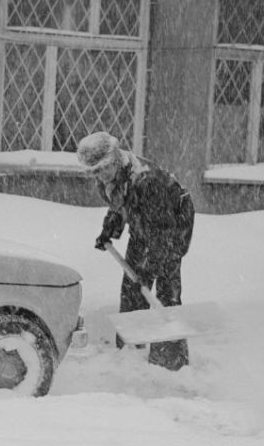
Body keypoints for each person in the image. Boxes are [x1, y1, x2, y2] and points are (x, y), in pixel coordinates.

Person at [77, 132, 194, 370]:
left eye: (103, 168)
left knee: (166, 289)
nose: (100, 175)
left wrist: (150, 265)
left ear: (115, 157)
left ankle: (170, 361)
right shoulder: (111, 177)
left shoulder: (146, 181)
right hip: (146, 222)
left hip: (173, 224)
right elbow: (121, 206)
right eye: (95, 172)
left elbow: (161, 230)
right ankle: (129, 353)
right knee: (132, 288)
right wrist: (109, 229)